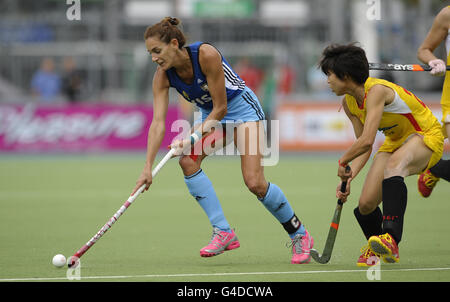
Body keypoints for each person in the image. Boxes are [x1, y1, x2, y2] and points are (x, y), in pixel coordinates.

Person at [132, 17, 313, 264]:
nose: (153, 57)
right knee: (188, 162)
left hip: (241, 111)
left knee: (255, 183)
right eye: (149, 53)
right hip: (212, 116)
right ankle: (224, 231)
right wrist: (147, 168)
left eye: (156, 50)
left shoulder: (206, 54)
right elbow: (158, 123)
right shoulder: (163, 76)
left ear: (174, 43)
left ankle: (300, 234)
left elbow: (221, 108)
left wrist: (192, 136)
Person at [318, 43, 444, 266]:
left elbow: (367, 139)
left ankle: (391, 238)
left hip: (425, 135)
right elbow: (363, 146)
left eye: (330, 75)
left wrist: (343, 160)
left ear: (345, 76)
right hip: (395, 142)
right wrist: (348, 176)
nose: (328, 80)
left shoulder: (376, 91)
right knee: (365, 205)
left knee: (394, 165)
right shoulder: (349, 103)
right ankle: (381, 249)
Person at [416, 5, 450, 198]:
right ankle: (435, 169)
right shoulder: (447, 14)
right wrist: (434, 61)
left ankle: (438, 168)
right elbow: (424, 50)